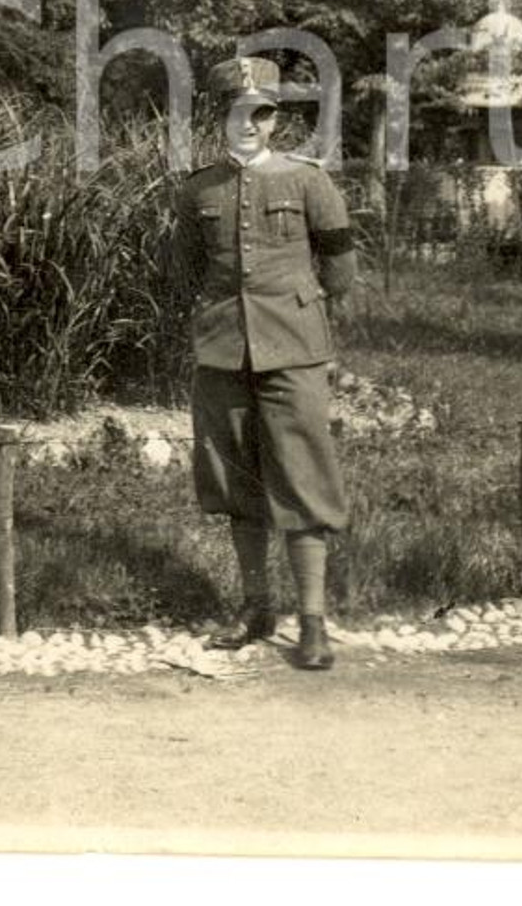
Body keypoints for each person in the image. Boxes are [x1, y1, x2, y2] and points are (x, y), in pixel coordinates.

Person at [173, 56, 357, 670]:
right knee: (234, 479)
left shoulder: (307, 181)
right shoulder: (198, 189)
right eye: (235, 112)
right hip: (223, 347)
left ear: (275, 119)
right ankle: (257, 608)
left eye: (260, 112)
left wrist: (309, 316)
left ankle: (312, 621)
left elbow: (340, 265)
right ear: (218, 118)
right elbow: (182, 271)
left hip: (294, 348)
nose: (247, 124)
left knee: (303, 476)